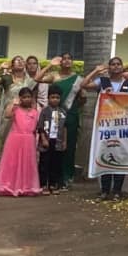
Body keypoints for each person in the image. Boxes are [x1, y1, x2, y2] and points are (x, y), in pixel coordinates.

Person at [81, 58, 128, 200]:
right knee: (105, 154)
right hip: (105, 126)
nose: (116, 67)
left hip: (122, 126)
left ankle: (117, 190)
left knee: (120, 156)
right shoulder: (102, 81)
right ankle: (105, 190)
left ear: (122, 67)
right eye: (113, 64)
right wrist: (96, 71)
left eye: (118, 64)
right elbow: (83, 85)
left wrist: (115, 95)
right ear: (109, 67)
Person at [38, 53, 83, 187]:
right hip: (53, 115)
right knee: (53, 146)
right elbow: (37, 78)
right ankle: (53, 178)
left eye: (70, 59)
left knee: (68, 146)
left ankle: (66, 176)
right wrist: (50, 65)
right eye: (64, 59)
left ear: (72, 62)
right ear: (60, 62)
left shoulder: (78, 79)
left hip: (70, 115)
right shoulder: (54, 76)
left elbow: (82, 98)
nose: (67, 61)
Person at [0, 87, 43, 196]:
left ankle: (26, 186)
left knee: (27, 164)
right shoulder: (16, 109)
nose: (27, 99)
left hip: (29, 140)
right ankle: (9, 185)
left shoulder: (35, 112)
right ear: (20, 98)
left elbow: (37, 127)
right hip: (15, 140)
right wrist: (13, 103)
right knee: (12, 163)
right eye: (24, 97)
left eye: (29, 97)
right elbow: (7, 115)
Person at [0, 55, 35, 135]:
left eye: (22, 60)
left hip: (24, 113)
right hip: (9, 112)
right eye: (17, 60)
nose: (20, 61)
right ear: (12, 65)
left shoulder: (29, 79)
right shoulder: (7, 78)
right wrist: (0, 67)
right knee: (7, 137)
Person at [37, 87, 67, 194]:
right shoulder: (45, 111)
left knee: (55, 163)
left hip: (58, 141)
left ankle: (53, 184)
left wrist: (64, 141)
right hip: (47, 140)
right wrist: (43, 139)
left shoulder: (63, 112)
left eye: (57, 98)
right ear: (48, 98)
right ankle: (43, 184)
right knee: (44, 163)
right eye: (52, 97)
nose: (55, 100)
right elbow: (40, 127)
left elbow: (65, 127)